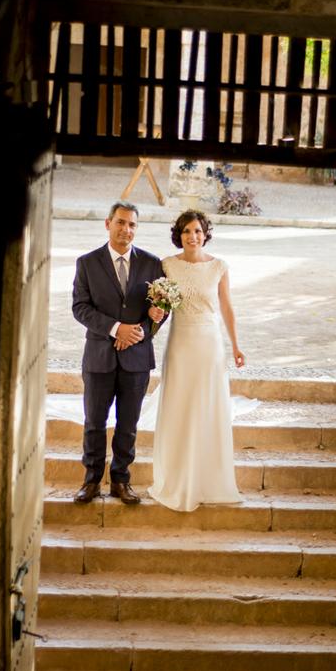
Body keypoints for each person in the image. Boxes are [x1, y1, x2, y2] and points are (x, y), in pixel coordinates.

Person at [147, 210, 245, 512]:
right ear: (180, 235)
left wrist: (236, 345)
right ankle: (177, 477)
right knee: (179, 406)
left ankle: (207, 479)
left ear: (206, 234)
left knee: (206, 406)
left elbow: (227, 308)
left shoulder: (219, 266)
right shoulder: (167, 265)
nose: (193, 236)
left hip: (209, 345)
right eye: (187, 231)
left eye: (198, 231)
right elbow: (158, 305)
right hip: (180, 343)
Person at [71, 201, 165, 505]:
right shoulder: (87, 263)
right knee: (94, 422)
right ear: (108, 224)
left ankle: (121, 480)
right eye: (121, 222)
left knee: (128, 424)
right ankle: (91, 480)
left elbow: (161, 308)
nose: (126, 229)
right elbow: (80, 307)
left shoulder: (152, 264)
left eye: (132, 224)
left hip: (136, 358)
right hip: (99, 357)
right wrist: (115, 329)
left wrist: (139, 331)